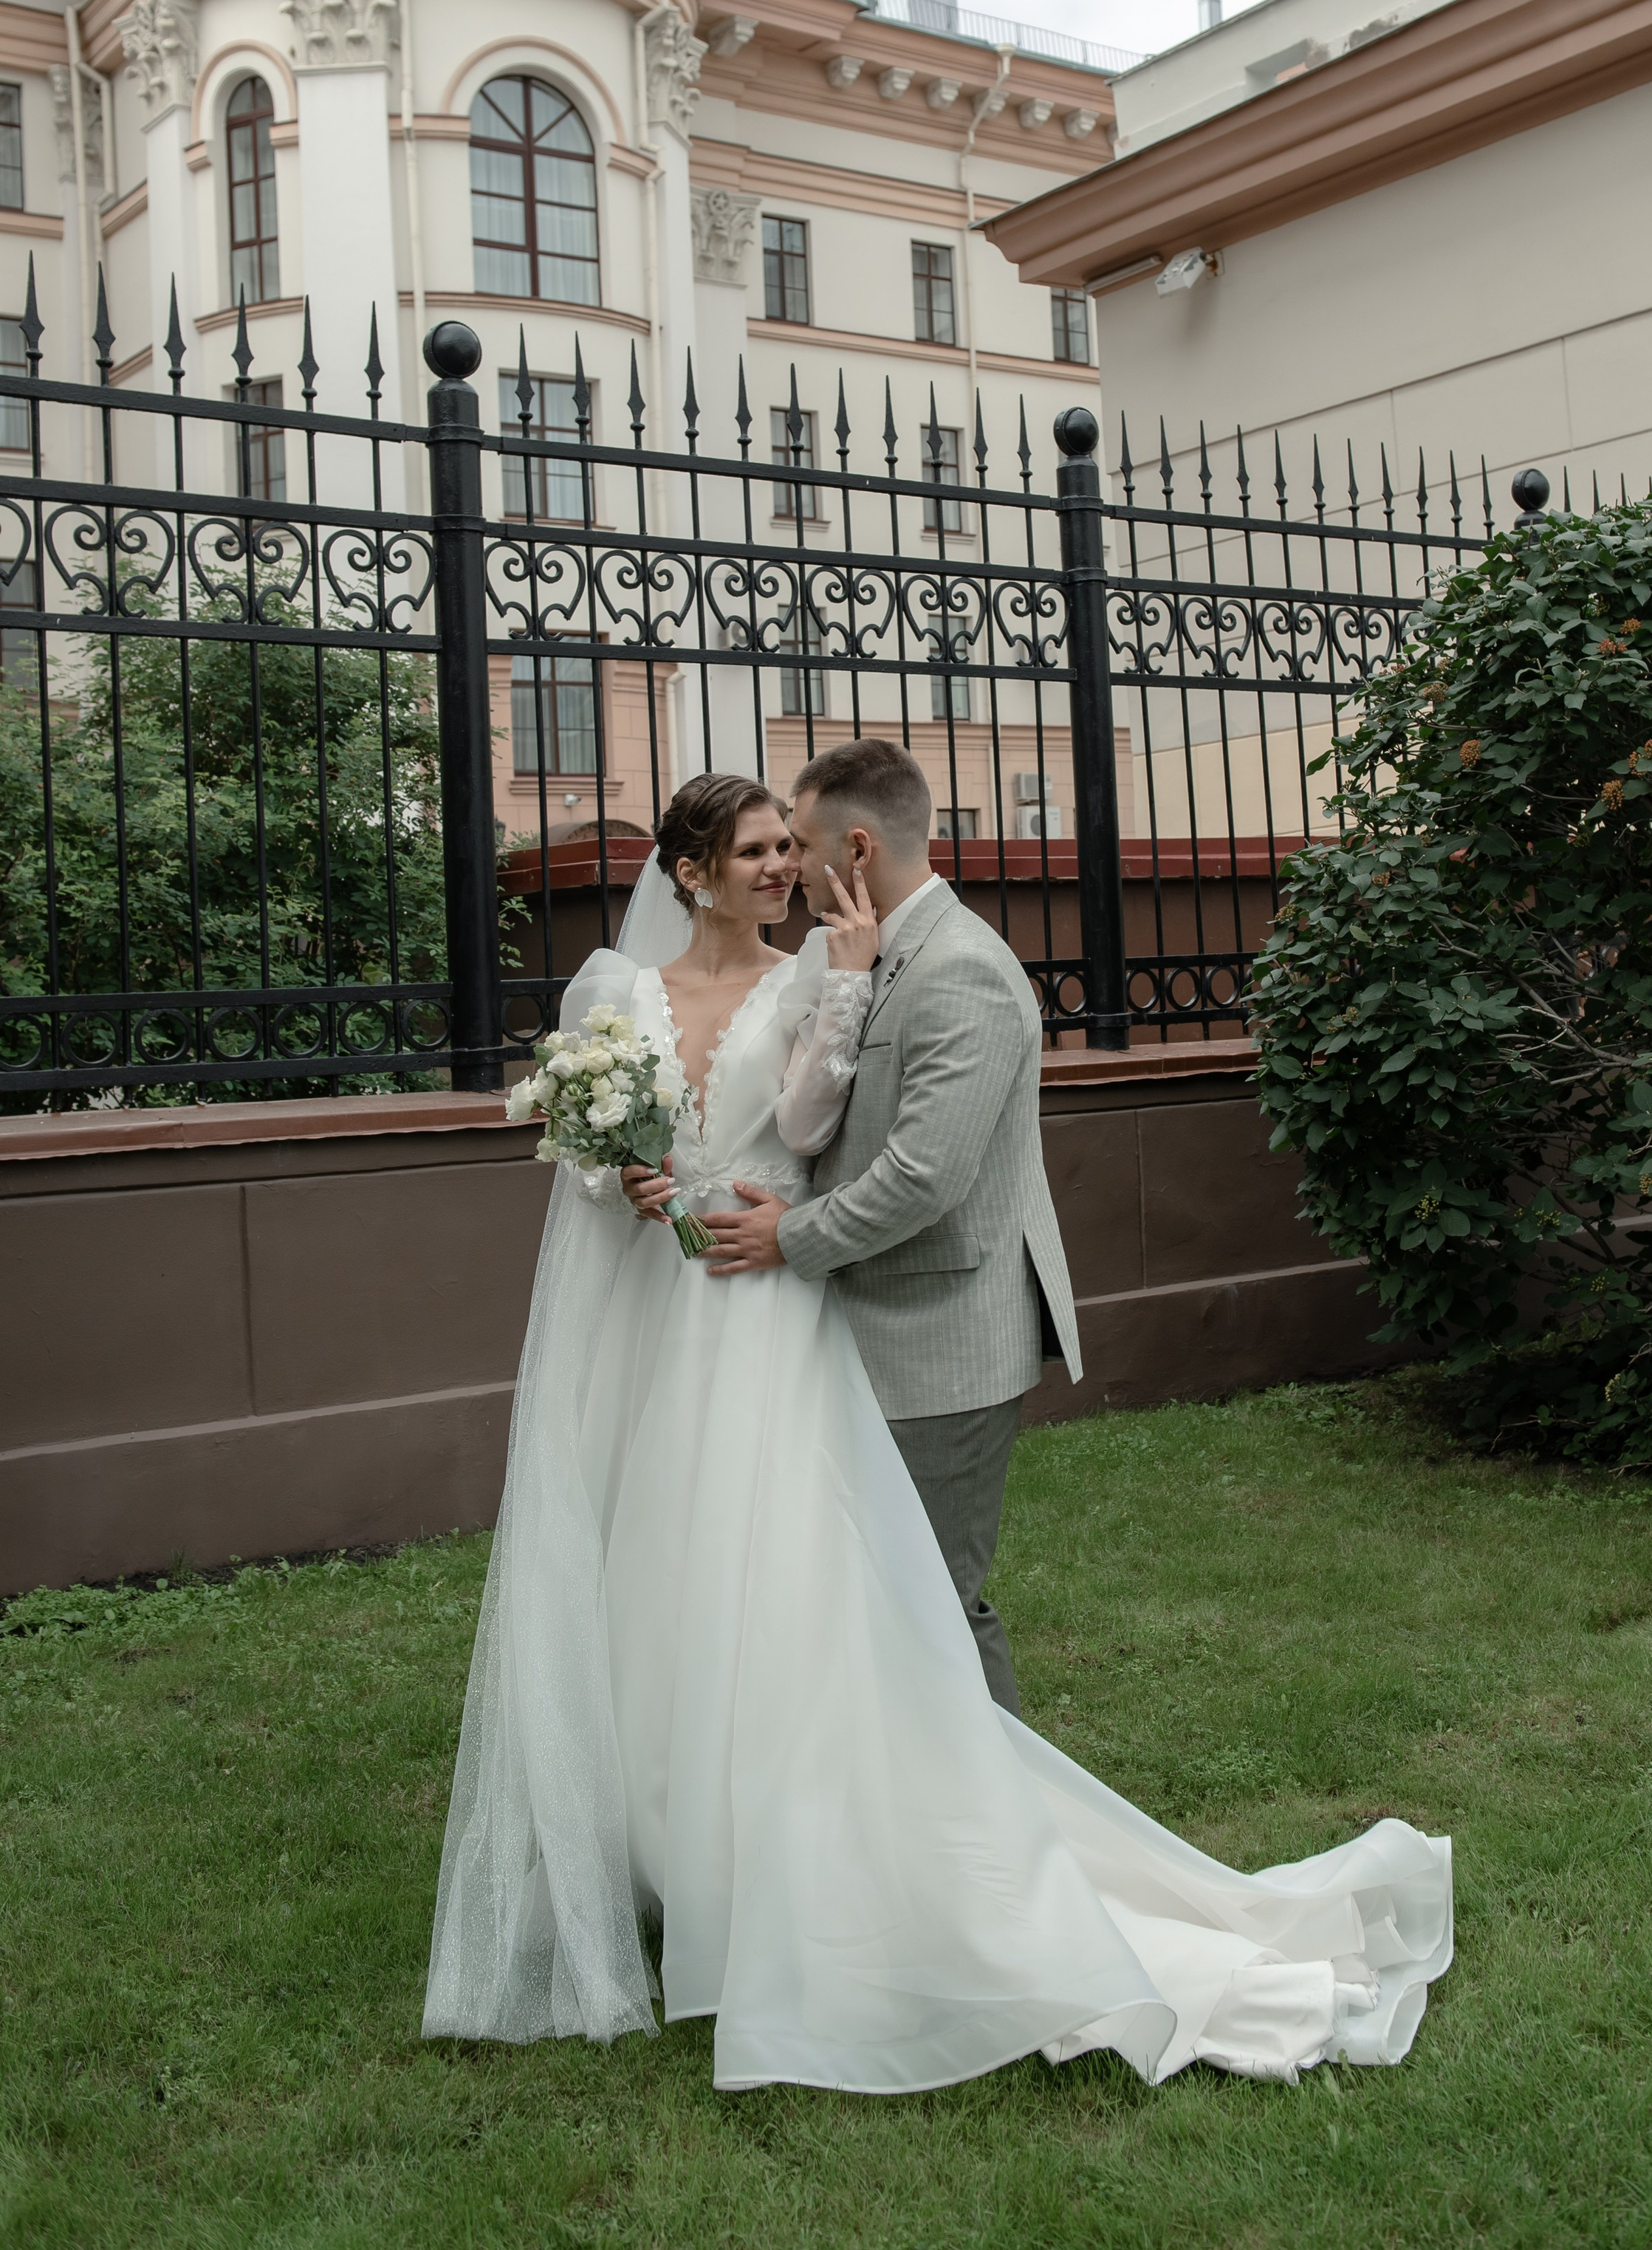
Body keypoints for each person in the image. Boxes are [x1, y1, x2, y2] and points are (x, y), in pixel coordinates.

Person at [423, 764, 1452, 2090]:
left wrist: (799, 1143)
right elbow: (587, 1140)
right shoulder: (613, 996)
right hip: (660, 1313)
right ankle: (668, 1841)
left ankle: (954, 1857)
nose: (779, 868)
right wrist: (626, 1169)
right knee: (663, 1570)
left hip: (776, 1305)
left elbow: (839, 1143)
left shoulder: (864, 975)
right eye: (754, 850)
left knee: (864, 1601)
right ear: (687, 873)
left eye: (785, 845)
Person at [689, 736, 1077, 1714]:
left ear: (855, 849)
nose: (786, 866)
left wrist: (790, 1237)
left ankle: (1007, 1832)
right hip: (873, 1322)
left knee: (933, 1602)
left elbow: (924, 1175)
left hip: (943, 1333)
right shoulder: (875, 953)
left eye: (800, 843)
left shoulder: (963, 972)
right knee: (879, 1596)